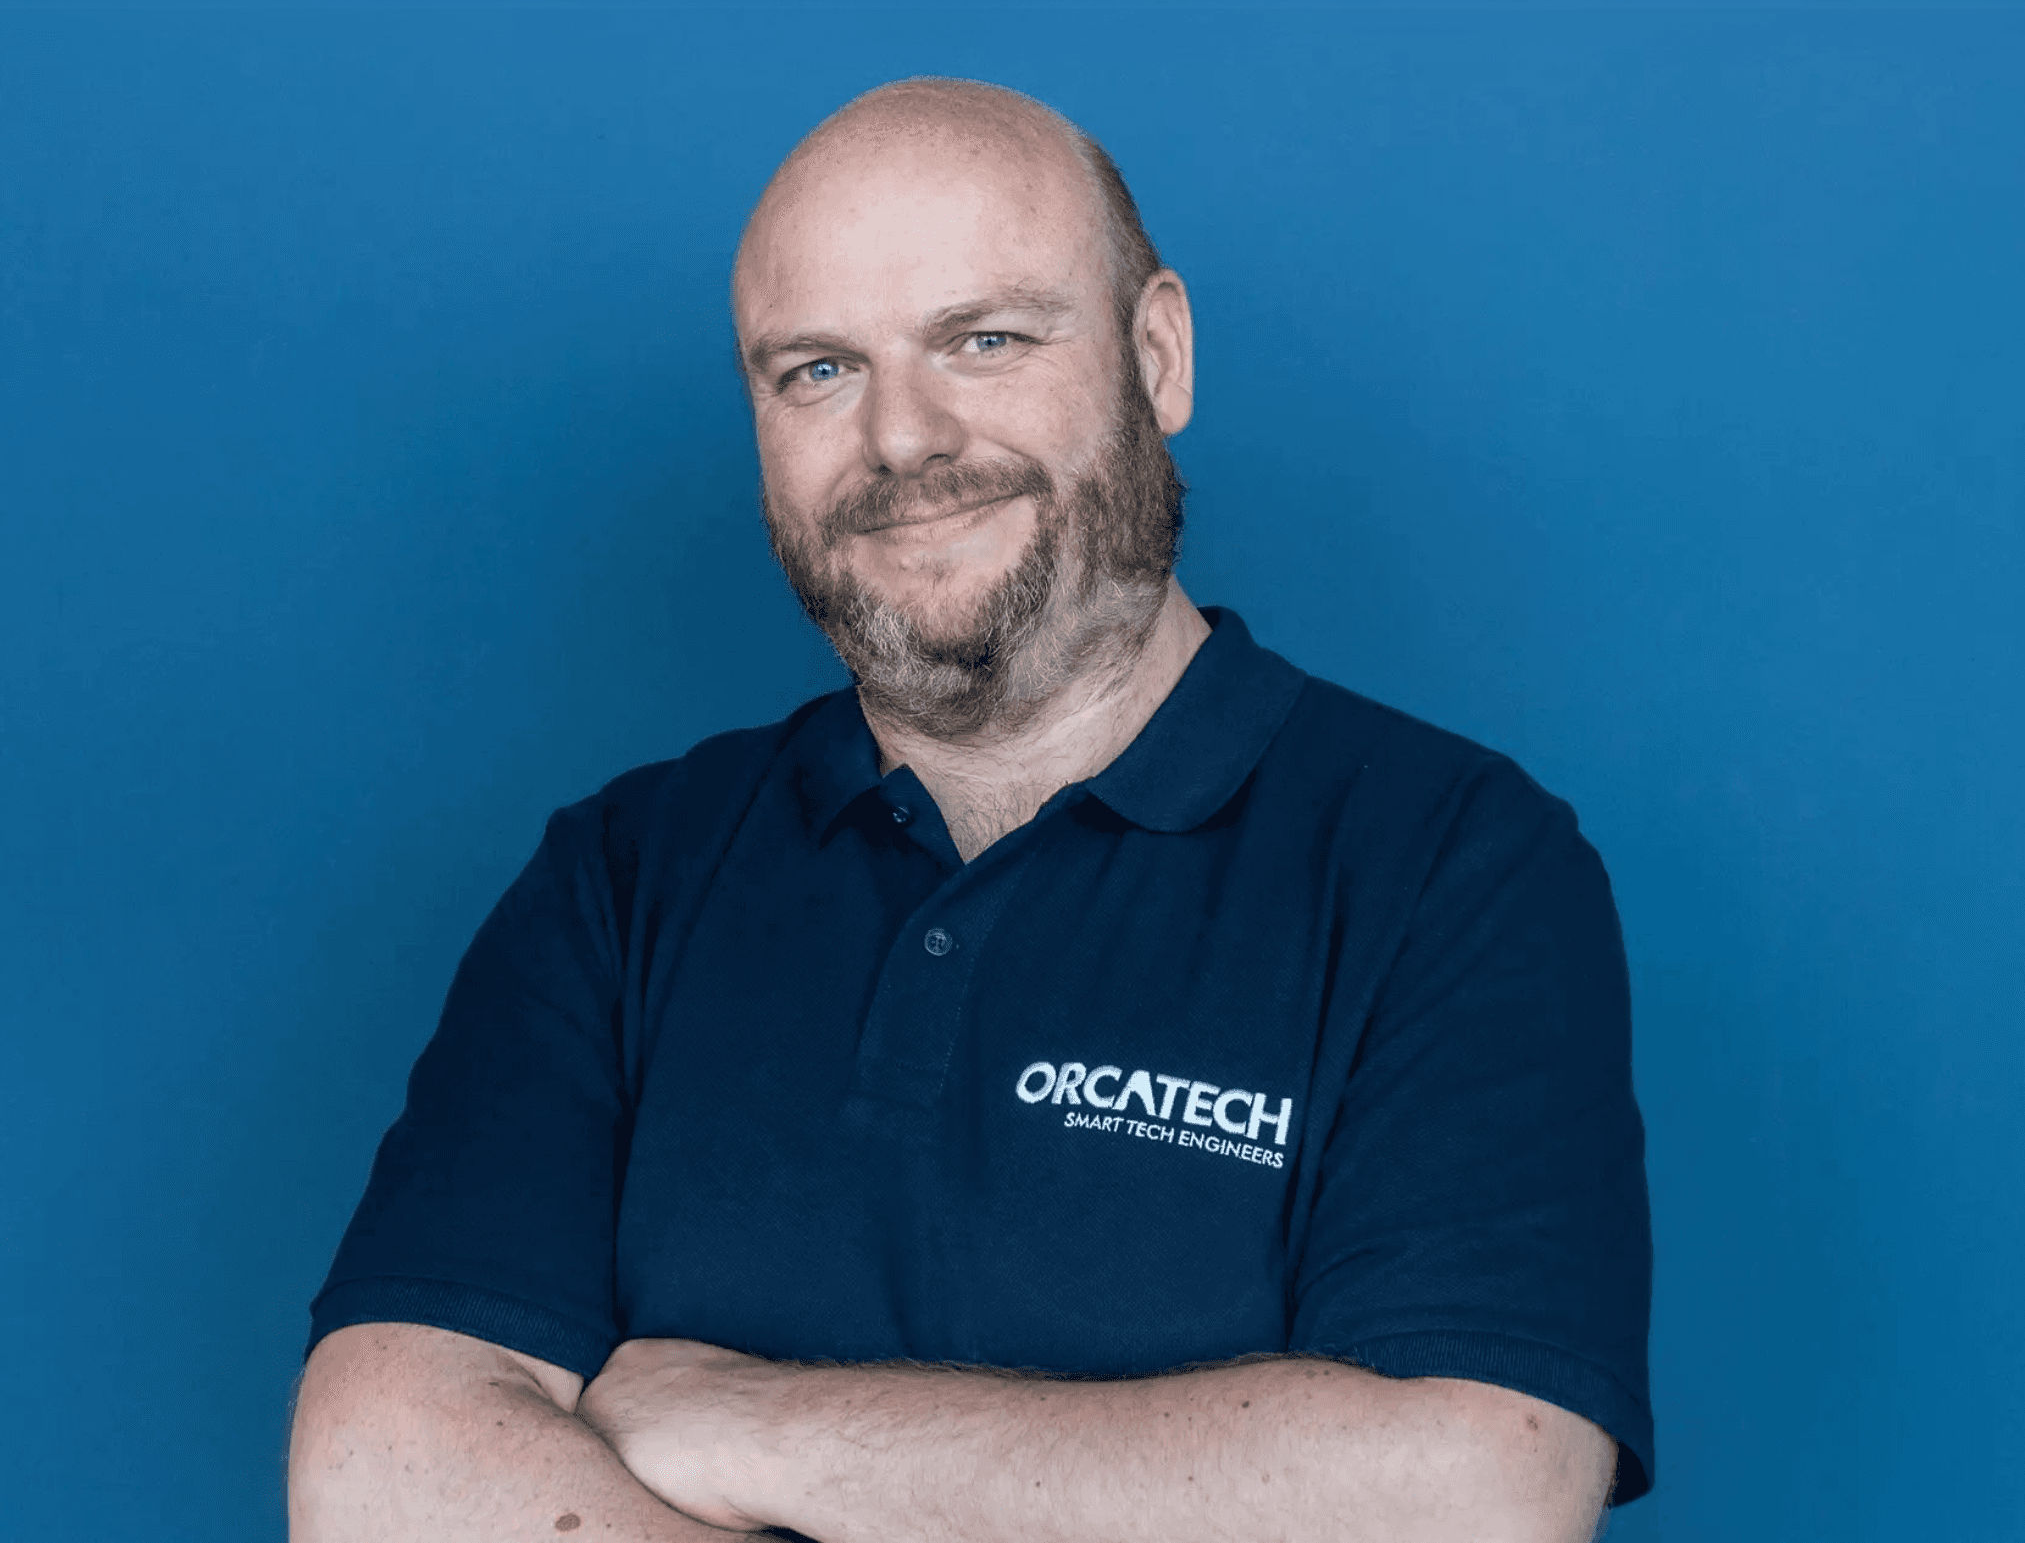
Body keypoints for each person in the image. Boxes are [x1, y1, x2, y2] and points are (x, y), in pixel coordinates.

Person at [288, 78, 1653, 1542]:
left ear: (1158, 356)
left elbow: (1476, 1493)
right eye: (818, 370)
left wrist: (769, 1427)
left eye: (983, 341)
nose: (901, 440)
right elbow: (378, 1474)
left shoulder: (1452, 866)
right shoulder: (625, 878)